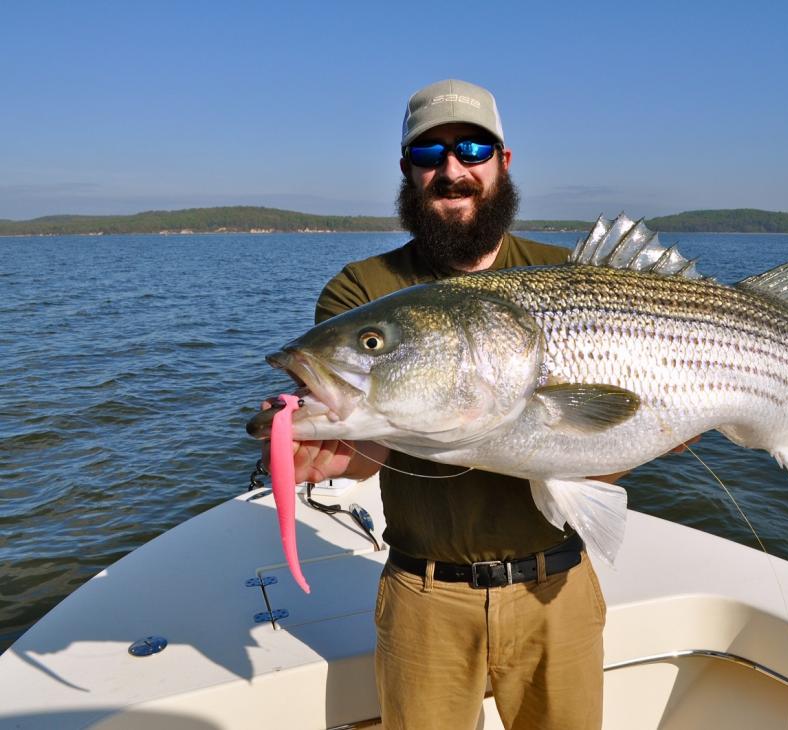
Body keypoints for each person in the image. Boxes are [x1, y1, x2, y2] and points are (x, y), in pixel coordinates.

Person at [269, 79, 691, 730]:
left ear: (503, 161)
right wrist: (337, 455)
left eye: (471, 148)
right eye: (428, 153)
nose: (451, 170)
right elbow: (371, 442)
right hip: (424, 598)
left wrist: (666, 427)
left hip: (557, 590)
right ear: (406, 169)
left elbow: (605, 440)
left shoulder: (568, 275)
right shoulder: (364, 290)